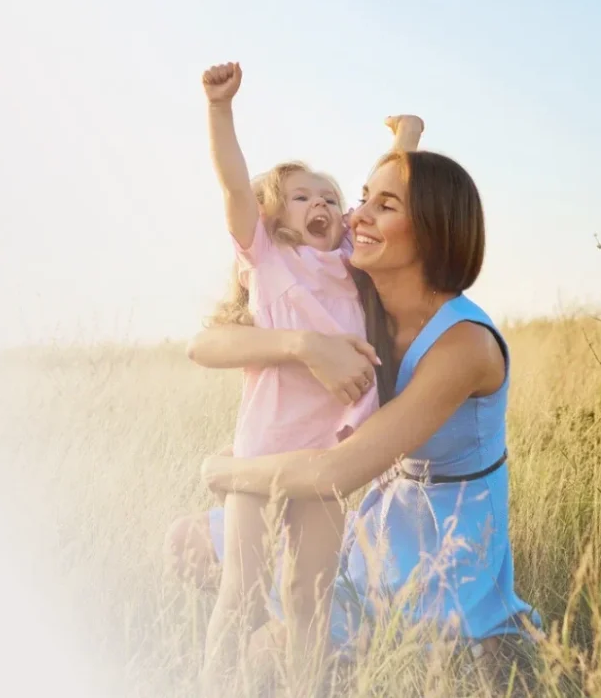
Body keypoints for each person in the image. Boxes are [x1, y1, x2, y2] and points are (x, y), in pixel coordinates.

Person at [168, 146, 541, 668]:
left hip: (442, 544)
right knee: (187, 541)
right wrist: (303, 345)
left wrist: (227, 469)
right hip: (382, 519)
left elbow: (333, 474)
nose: (356, 214)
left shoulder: (465, 345)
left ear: (433, 230)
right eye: (362, 198)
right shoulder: (365, 298)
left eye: (383, 205)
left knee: (265, 655)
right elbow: (204, 345)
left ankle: (466, 643)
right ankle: (274, 614)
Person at [195, 61, 424, 693]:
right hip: (263, 451)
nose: (321, 204)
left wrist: (405, 139)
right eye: (302, 197)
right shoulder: (267, 259)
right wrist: (220, 111)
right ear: (273, 217)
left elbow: (382, 198)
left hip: (327, 457)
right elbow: (236, 187)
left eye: (329, 196)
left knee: (307, 596)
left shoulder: (351, 263)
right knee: (242, 593)